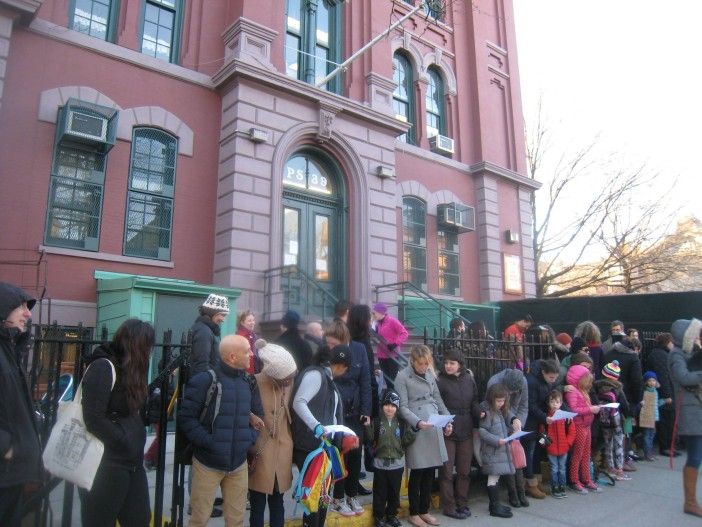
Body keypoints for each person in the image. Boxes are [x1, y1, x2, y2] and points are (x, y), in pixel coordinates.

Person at [178, 335, 263, 527]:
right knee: (199, 519)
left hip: (238, 465)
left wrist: (247, 440)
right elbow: (186, 418)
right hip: (207, 463)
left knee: (236, 520)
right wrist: (210, 442)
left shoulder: (248, 382)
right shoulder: (205, 380)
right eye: (247, 350)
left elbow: (259, 417)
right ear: (232, 357)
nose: (251, 354)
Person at [79, 319, 155, 527]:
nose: (149, 352)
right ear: (135, 345)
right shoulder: (104, 367)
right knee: (100, 520)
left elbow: (130, 411)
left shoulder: (131, 370)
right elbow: (93, 418)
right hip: (106, 463)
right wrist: (123, 441)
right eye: (147, 345)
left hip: (132, 464)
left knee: (139, 519)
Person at [291, 344, 356, 527]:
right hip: (309, 447)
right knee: (313, 498)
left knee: (322, 498)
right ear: (342, 366)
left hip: (323, 449)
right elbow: (299, 402)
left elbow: (333, 415)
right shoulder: (316, 375)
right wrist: (317, 426)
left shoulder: (328, 379)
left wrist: (342, 437)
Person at [395, 345, 452, 527]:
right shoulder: (402, 376)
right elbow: (402, 406)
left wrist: (447, 420)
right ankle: (414, 512)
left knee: (430, 470)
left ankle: (424, 510)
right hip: (418, 425)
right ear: (412, 360)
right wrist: (417, 423)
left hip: (433, 422)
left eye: (426, 364)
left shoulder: (429, 373)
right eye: (420, 364)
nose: (424, 367)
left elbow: (437, 397)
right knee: (418, 470)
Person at [0, 282, 42, 527]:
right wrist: (8, 446)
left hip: (13, 477)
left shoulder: (11, 352)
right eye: (21, 306)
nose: (28, 313)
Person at [248, 339, 298, 527]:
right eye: (285, 377)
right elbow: (242, 407)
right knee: (257, 504)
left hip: (283, 451)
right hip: (260, 450)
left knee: (278, 503)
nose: (289, 380)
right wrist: (251, 416)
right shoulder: (254, 382)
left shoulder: (290, 384)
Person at [325, 321, 371, 517]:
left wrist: (366, 410)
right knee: (338, 455)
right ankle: (338, 497)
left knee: (354, 455)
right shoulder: (326, 353)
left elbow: (366, 380)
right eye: (328, 344)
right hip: (336, 412)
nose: (330, 348)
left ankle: (352, 495)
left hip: (355, 411)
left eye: (334, 344)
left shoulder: (359, 349)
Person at [436, 348, 482, 520]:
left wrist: (479, 412)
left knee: (464, 471)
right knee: (447, 472)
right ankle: (449, 506)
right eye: (446, 363)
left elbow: (474, 400)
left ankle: (462, 503)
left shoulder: (469, 379)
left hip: (467, 429)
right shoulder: (440, 381)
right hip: (448, 429)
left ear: (460, 365)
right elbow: (436, 404)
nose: (448, 366)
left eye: (452, 363)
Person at [668, 318, 702, 517]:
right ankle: (690, 502)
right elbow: (684, 377)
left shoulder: (688, 353)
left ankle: (691, 501)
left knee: (697, 456)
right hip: (690, 412)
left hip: (696, 409)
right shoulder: (676, 355)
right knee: (695, 456)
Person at [368, 390, 414, 527]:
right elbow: (370, 438)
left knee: (394, 492)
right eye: (387, 404)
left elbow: (405, 441)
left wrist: (413, 432)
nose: (390, 408)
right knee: (380, 492)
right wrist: (366, 427)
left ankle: (391, 515)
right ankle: (379, 516)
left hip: (397, 464)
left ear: (397, 408)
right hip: (380, 464)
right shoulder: (377, 422)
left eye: (393, 405)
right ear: (382, 405)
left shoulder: (401, 423)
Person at [522, 359, 559, 499]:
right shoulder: (531, 382)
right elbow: (531, 405)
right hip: (530, 422)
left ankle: (536, 481)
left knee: (537, 452)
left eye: (555, 378)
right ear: (543, 372)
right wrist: (545, 417)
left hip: (540, 422)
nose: (553, 380)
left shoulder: (546, 382)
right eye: (551, 377)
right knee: (529, 453)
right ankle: (530, 482)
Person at [479, 383, 515, 518]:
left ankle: (495, 504)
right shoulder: (488, 412)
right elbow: (482, 431)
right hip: (492, 451)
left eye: (503, 400)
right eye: (499, 401)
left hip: (498, 450)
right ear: (492, 399)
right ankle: (494, 506)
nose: (501, 403)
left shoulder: (498, 411)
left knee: (496, 476)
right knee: (493, 476)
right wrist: (496, 440)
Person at [564, 364, 601, 494]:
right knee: (578, 454)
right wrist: (590, 409)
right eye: (588, 380)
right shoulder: (573, 391)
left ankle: (586, 479)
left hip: (586, 425)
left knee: (586, 454)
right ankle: (574, 480)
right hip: (579, 425)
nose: (590, 383)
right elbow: (573, 409)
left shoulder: (582, 391)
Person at [594, 361, 630, 481]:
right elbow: (625, 406)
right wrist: (629, 416)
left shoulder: (597, 387)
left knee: (607, 444)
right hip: (616, 421)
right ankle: (619, 470)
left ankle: (610, 468)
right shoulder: (617, 388)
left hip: (604, 421)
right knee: (618, 444)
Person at [645, 332, 678, 456]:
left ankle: (668, 446)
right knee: (666, 420)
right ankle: (666, 447)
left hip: (661, 391)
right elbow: (663, 376)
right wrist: (667, 394)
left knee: (667, 420)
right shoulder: (661, 355)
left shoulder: (659, 354)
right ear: (668, 342)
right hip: (663, 393)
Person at [540, 390, 575, 498]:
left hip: (564, 448)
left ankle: (562, 486)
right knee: (554, 468)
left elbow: (572, 432)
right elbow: (542, 433)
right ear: (548, 403)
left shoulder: (566, 417)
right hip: (552, 449)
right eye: (552, 402)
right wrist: (546, 445)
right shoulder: (546, 418)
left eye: (557, 402)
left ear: (561, 403)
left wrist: (568, 443)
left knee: (562, 468)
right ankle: (554, 487)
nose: (555, 404)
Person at [190, 293, 230, 376]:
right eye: (222, 315)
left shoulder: (205, 329)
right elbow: (201, 365)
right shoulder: (204, 331)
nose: (223, 319)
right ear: (212, 312)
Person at [372, 303, 408, 390]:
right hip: (381, 355)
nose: (373, 315)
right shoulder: (377, 323)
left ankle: (394, 399)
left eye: (374, 313)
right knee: (387, 380)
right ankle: (389, 398)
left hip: (393, 356)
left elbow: (404, 333)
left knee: (393, 380)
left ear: (381, 312)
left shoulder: (392, 321)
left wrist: (395, 343)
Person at [640, 371, 665, 462]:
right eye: (649, 380)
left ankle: (649, 452)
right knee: (647, 435)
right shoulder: (645, 392)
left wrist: (664, 401)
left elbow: (656, 404)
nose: (651, 382)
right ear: (646, 382)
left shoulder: (655, 391)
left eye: (653, 380)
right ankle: (647, 453)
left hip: (654, 416)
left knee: (652, 434)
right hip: (647, 416)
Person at [236, 309, 262, 374]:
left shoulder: (253, 335)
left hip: (255, 369)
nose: (252, 323)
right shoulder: (240, 336)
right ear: (242, 322)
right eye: (249, 321)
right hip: (245, 371)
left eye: (253, 320)